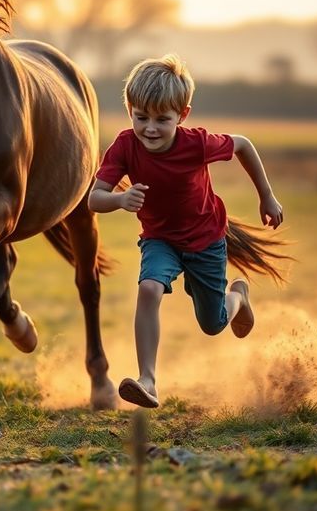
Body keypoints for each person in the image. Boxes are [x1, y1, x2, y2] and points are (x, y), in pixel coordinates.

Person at [88, 53, 284, 408]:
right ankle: (148, 380)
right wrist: (119, 199)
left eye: (162, 119)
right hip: (160, 240)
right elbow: (94, 198)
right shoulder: (125, 146)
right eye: (141, 117)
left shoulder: (197, 144)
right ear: (130, 109)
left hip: (206, 241)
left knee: (213, 324)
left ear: (182, 115)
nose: (150, 128)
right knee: (148, 289)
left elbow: (242, 144)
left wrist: (267, 196)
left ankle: (238, 297)